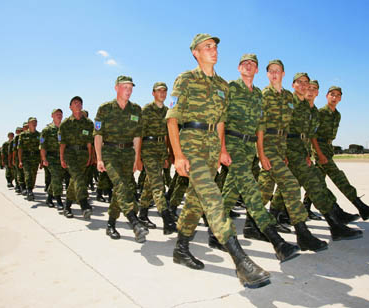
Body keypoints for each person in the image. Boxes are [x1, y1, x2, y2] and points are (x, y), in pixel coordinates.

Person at [166, 33, 270, 288]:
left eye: (214, 46)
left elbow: (222, 120)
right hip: (191, 142)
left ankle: (181, 249)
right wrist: (178, 155)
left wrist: (222, 149)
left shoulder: (223, 85)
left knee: (195, 201)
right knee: (212, 198)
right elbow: (172, 118)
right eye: (207, 47)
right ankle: (241, 262)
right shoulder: (185, 79)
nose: (213, 50)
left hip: (213, 146)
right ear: (196, 53)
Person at [216, 53, 299, 262]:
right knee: (251, 189)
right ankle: (276, 241)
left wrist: (261, 153)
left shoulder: (258, 95)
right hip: (233, 143)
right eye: (244, 63)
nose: (248, 66)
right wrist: (222, 149)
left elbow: (261, 126)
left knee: (231, 190)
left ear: (256, 70)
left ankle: (214, 232)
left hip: (249, 147)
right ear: (238, 68)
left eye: (252, 64)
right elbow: (221, 118)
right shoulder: (231, 88)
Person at [270, 73, 363, 241]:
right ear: (293, 84)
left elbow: (306, 134)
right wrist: (281, 152)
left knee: (297, 185)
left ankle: (275, 216)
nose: (306, 87)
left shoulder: (308, 108)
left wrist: (307, 153)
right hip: (289, 148)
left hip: (300, 151)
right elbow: (280, 127)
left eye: (309, 85)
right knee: (314, 184)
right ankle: (333, 225)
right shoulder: (289, 101)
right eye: (302, 83)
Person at [256, 60, 328, 251]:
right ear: (267, 74)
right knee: (291, 183)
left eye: (277, 71)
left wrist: (286, 151)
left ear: (283, 74)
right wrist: (261, 153)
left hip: (281, 147)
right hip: (268, 145)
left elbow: (288, 128)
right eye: (270, 71)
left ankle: (250, 224)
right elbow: (260, 126)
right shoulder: (263, 95)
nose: (274, 74)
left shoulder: (288, 97)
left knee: (265, 189)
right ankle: (302, 234)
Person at [309, 85, 369, 221]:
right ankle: (361, 207)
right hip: (320, 148)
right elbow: (312, 135)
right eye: (332, 94)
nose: (334, 97)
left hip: (328, 148)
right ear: (326, 96)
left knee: (318, 180)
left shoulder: (337, 115)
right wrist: (319, 154)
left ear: (341, 98)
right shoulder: (321, 113)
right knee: (339, 177)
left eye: (338, 95)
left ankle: (306, 207)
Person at [94, 75, 148, 243]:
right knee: (121, 185)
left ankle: (110, 224)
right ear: (116, 88)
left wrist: (136, 159)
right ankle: (135, 222)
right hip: (109, 152)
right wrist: (99, 159)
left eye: (131, 88)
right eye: (125, 87)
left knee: (123, 189)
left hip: (127, 154)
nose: (128, 91)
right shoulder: (105, 109)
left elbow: (137, 137)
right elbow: (98, 135)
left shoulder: (136, 110)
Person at [139, 81, 177, 234]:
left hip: (161, 150)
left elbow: (169, 135)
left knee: (150, 183)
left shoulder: (168, 111)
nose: (162, 93)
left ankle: (142, 214)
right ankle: (166, 218)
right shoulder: (147, 110)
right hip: (148, 149)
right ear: (153, 93)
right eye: (158, 91)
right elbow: (139, 134)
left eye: (164, 91)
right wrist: (137, 157)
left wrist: (168, 154)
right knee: (158, 184)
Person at [59, 96, 94, 219]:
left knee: (75, 179)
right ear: (70, 107)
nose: (78, 104)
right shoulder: (66, 124)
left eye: (80, 103)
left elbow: (90, 142)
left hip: (83, 155)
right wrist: (62, 158)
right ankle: (84, 205)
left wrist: (91, 156)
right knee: (78, 177)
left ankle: (67, 206)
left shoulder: (88, 123)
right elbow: (62, 143)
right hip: (70, 154)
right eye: (75, 103)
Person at [40, 108, 65, 211]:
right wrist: (44, 159)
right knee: (56, 177)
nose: (59, 115)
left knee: (57, 178)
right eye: (56, 114)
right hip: (51, 157)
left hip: (62, 157)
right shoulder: (47, 130)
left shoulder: (64, 128)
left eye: (60, 114)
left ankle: (49, 198)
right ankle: (58, 200)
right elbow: (42, 146)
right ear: (52, 116)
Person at [18, 117, 41, 201]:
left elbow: (41, 148)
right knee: (27, 173)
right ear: (28, 124)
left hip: (35, 158)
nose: (34, 123)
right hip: (26, 158)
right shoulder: (23, 135)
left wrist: (41, 161)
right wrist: (20, 161)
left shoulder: (39, 135)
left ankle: (30, 188)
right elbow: (20, 149)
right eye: (32, 122)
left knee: (34, 174)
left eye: (35, 122)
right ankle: (29, 190)